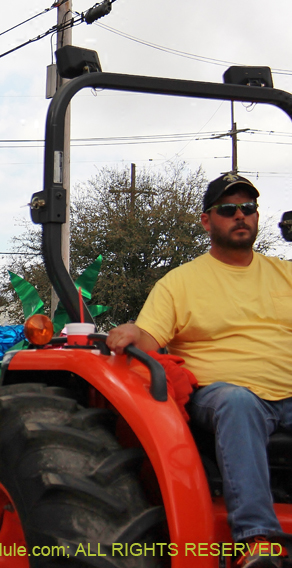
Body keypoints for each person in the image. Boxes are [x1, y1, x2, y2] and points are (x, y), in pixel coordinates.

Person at [106, 173, 292, 568]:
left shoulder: (284, 274)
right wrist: (129, 332)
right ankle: (256, 540)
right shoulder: (181, 283)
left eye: (248, 208)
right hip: (224, 396)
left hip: (288, 394)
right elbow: (149, 337)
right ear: (207, 221)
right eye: (228, 209)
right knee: (238, 403)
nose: (240, 216)